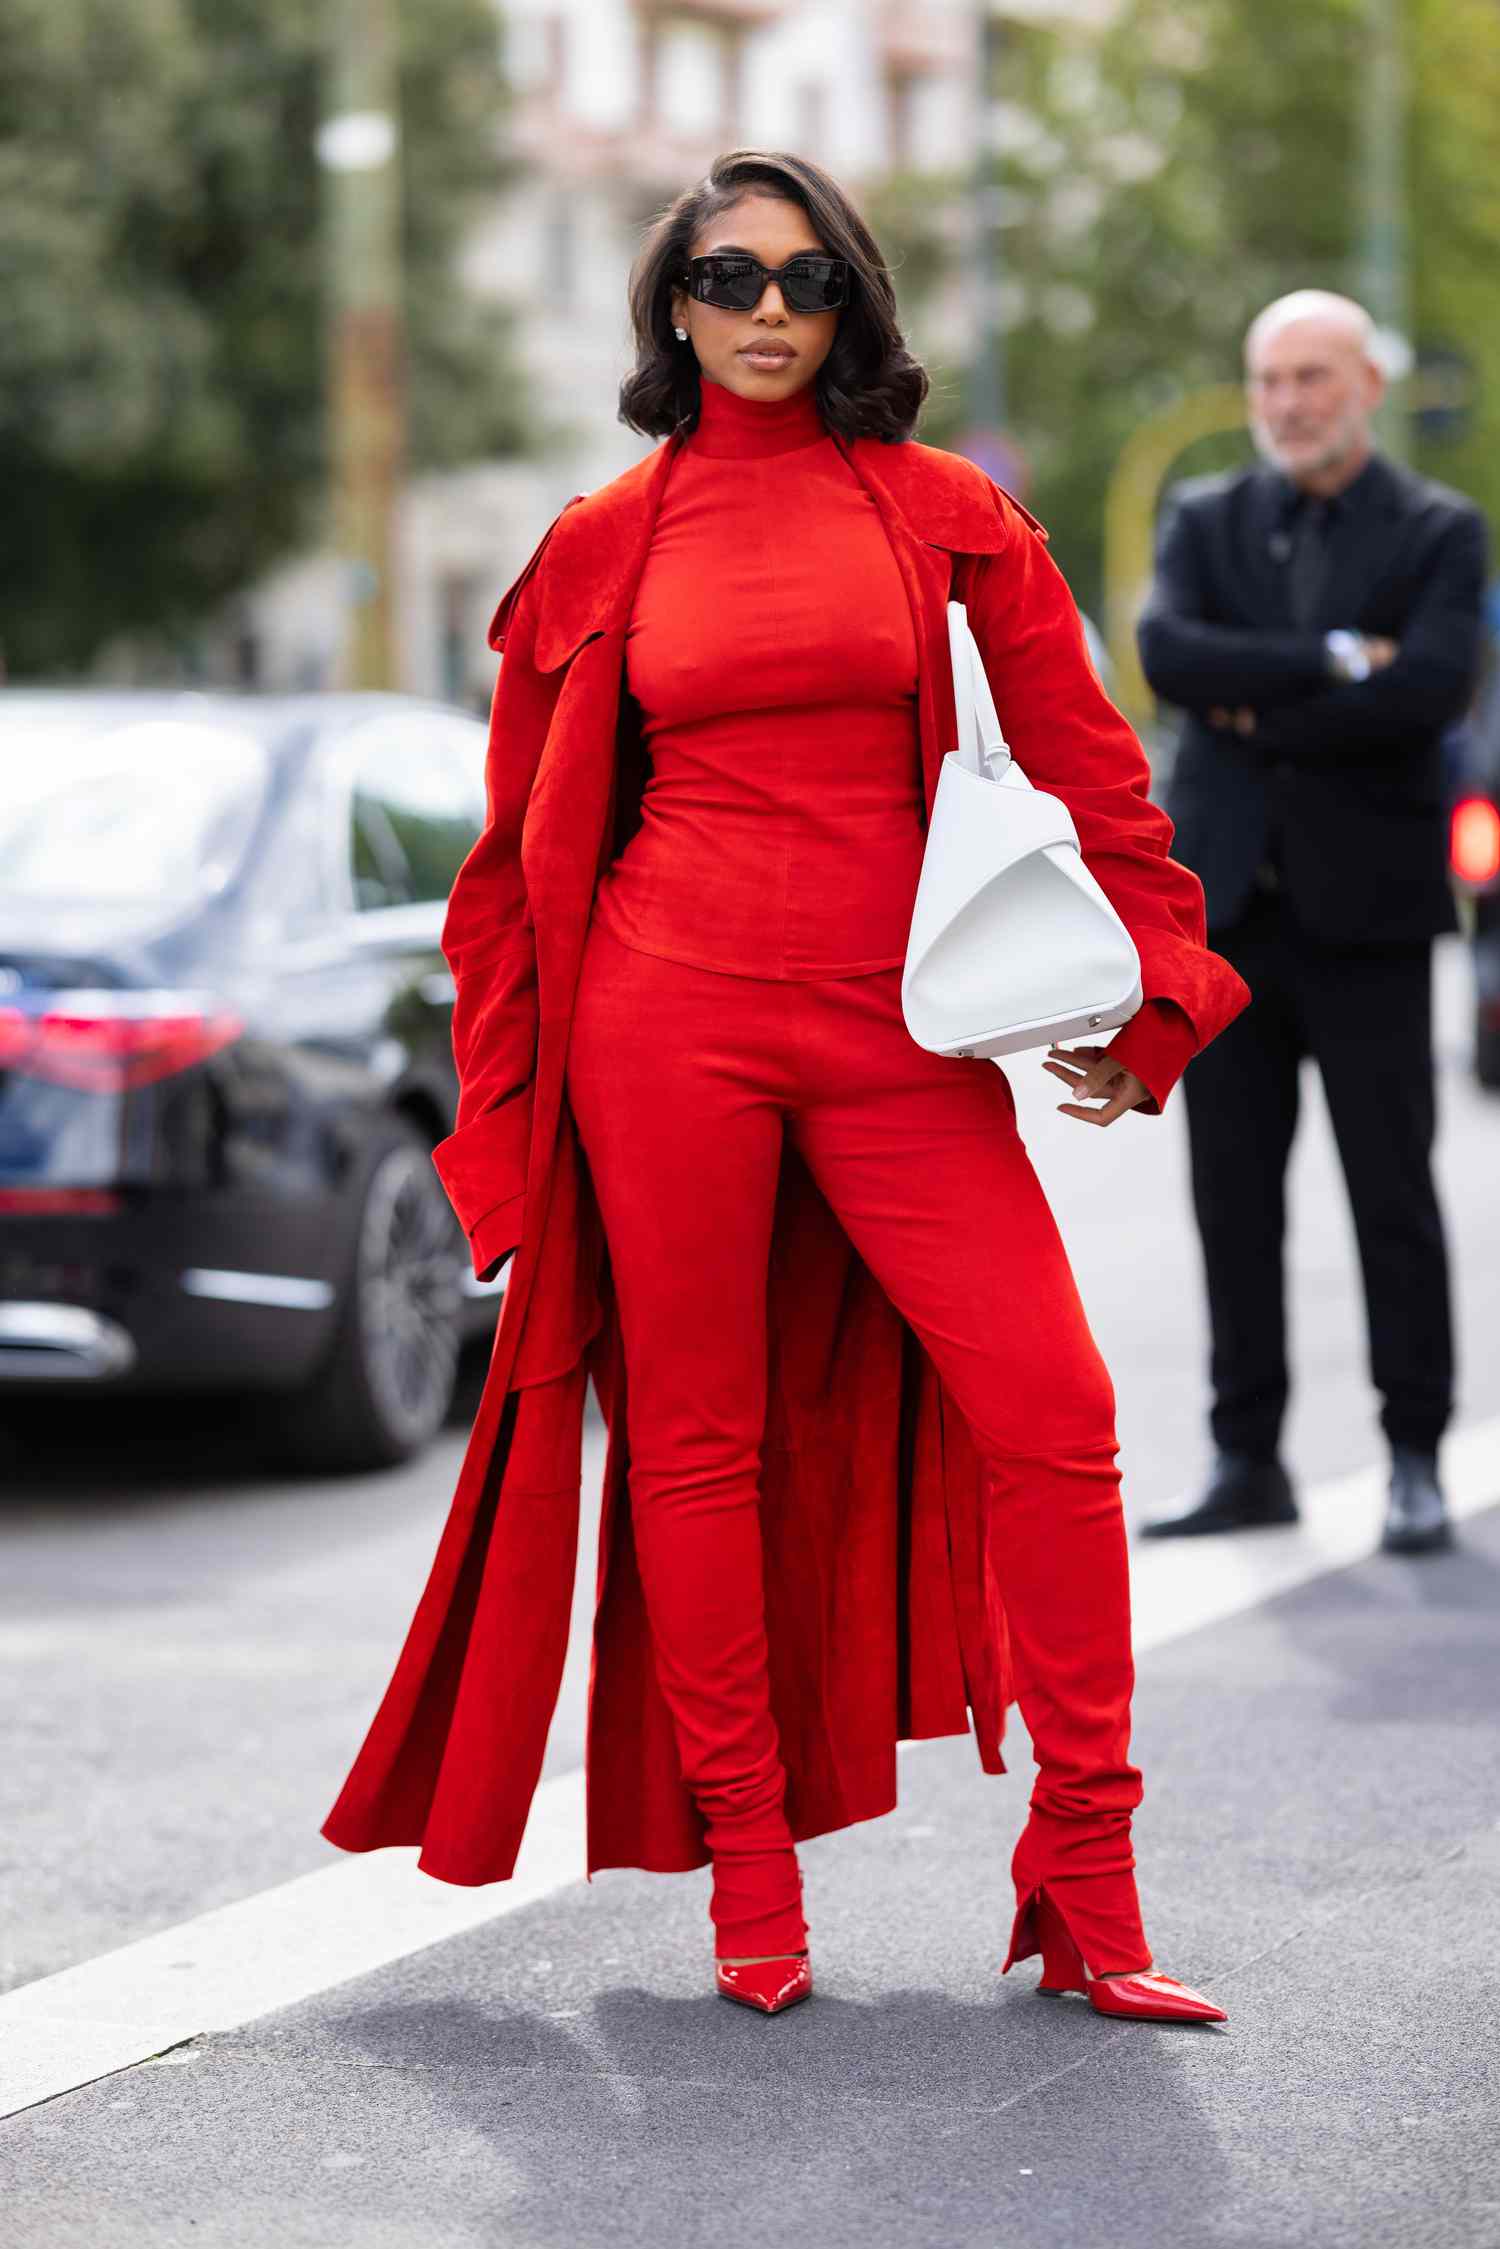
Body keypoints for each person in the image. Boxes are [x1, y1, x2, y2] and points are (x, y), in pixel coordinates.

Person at [322, 150, 1248, 2023]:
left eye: (808, 279)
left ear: (853, 306)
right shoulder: (607, 534)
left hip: (896, 1033)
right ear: (672, 303)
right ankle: (751, 1872)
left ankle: (1088, 1865)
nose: (767, 308)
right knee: (696, 1441)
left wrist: (1163, 991)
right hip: (666, 1025)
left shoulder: (944, 509)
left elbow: (1091, 768)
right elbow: (507, 874)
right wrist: (506, 1136)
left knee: (1057, 1417)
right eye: (729, 275)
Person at [1136, 291, 1487, 1553]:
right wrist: (1343, 659)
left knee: (1391, 1196)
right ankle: (1248, 1457)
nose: (1288, 402)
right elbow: (1170, 656)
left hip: (1374, 921)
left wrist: (1258, 696)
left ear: (1367, 385)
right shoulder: (1204, 517)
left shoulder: (1440, 530)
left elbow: (1434, 690)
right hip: (1225, 919)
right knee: (1231, 1198)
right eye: (1270, 378)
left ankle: (1412, 1455)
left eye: (1313, 378)